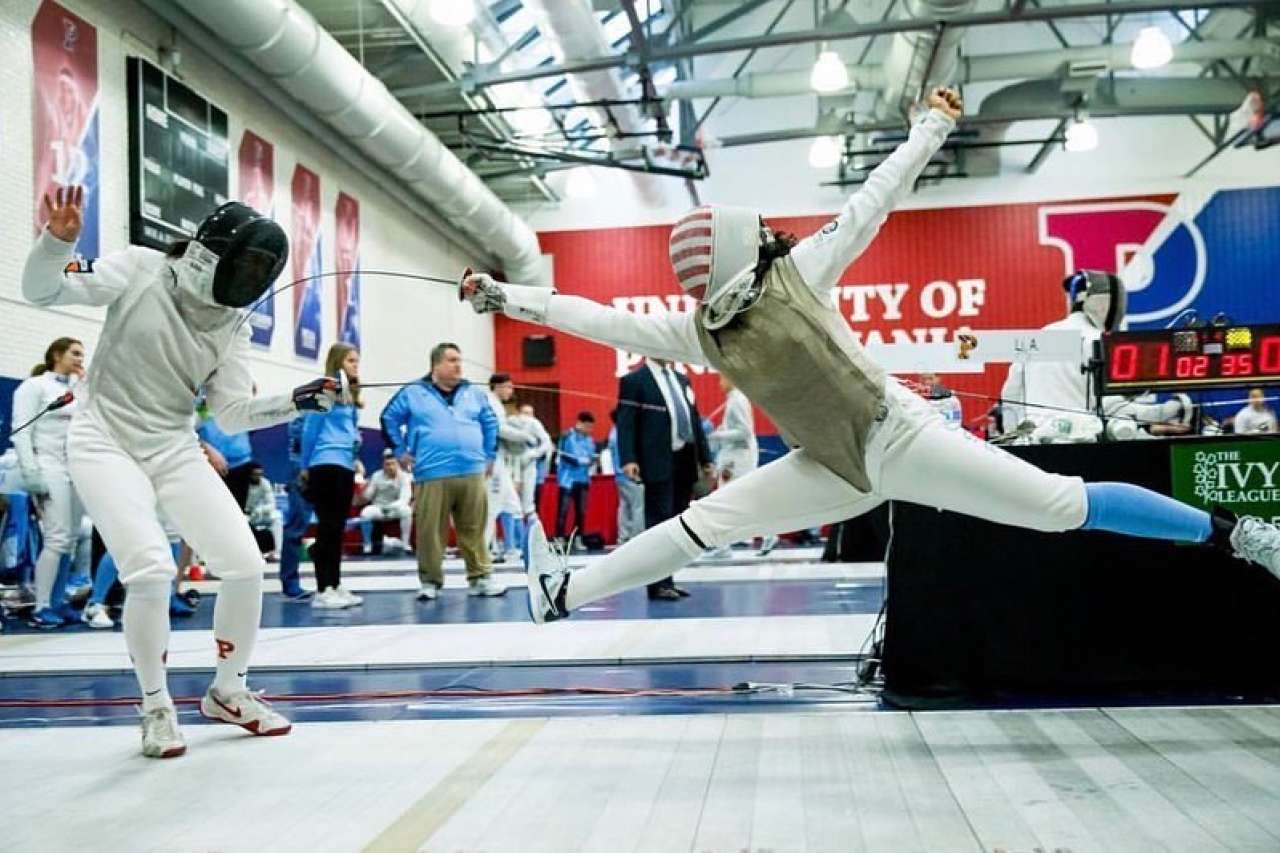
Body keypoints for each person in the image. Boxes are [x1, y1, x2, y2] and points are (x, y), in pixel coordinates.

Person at [459, 87, 1280, 626]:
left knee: (1061, 504)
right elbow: (595, 318)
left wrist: (931, 126)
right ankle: (563, 591)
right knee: (704, 524)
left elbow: (873, 200)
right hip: (832, 464)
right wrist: (511, 298)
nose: (699, 283)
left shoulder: (798, 275)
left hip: (905, 439)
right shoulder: (702, 331)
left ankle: (1239, 534)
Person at [23, 188, 339, 757]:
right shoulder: (141, 268)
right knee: (148, 572)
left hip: (172, 444)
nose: (247, 278)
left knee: (243, 565)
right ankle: (155, 705)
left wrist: (295, 399)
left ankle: (228, 691)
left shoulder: (230, 327)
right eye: (243, 265)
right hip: (103, 440)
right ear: (207, 253)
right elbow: (40, 290)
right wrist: (57, 243)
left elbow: (234, 412)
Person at [999, 269, 1189, 441]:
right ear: (1107, 303)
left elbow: (1011, 396)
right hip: (1082, 446)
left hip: (1036, 445)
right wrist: (1175, 408)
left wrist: (1014, 442)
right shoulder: (1098, 341)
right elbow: (1111, 408)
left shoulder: (1039, 337)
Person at [379, 342, 505, 600]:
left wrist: (490, 454)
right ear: (436, 365)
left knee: (474, 529)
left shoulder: (473, 392)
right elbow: (388, 418)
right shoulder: (413, 392)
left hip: (471, 470)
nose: (458, 365)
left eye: (460, 360)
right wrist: (400, 451)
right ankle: (430, 581)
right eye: (451, 360)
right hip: (432, 472)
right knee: (430, 531)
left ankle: (480, 577)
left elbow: (490, 421)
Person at [615, 358, 713, 600]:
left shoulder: (681, 380)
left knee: (677, 522)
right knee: (659, 522)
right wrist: (628, 458)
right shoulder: (634, 381)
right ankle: (657, 583)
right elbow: (625, 422)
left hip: (685, 459)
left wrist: (706, 457)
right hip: (656, 460)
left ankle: (668, 578)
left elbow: (693, 419)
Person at [11, 337, 86, 628]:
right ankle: (41, 607)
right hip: (47, 466)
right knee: (56, 538)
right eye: (75, 353)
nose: (81, 358)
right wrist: (32, 474)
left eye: (83, 354)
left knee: (70, 539)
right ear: (57, 354)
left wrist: (86, 384)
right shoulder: (34, 386)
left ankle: (57, 601)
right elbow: (20, 431)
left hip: (75, 469)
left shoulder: (76, 390)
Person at [301, 343, 364, 610]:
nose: (355, 365)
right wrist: (305, 466)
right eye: (350, 361)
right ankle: (322, 588)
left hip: (346, 466)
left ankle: (335, 584)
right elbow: (309, 431)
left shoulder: (350, 397)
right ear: (338, 363)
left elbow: (351, 433)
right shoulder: (324, 392)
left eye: (357, 361)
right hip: (324, 465)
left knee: (337, 528)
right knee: (327, 527)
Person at [707, 375, 758, 557]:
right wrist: (722, 429)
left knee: (726, 501)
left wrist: (718, 436)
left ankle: (724, 546)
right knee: (734, 500)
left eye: (723, 379)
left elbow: (745, 432)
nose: (720, 383)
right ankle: (725, 544)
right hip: (735, 457)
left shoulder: (738, 400)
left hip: (737, 459)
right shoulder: (735, 399)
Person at [485, 374, 534, 562]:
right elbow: (499, 429)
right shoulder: (491, 403)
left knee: (513, 504)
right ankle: (484, 550)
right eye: (508, 387)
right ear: (497, 387)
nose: (511, 391)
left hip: (499, 460)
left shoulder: (497, 404)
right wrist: (525, 436)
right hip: (491, 460)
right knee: (492, 506)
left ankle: (515, 548)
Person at [277, 416, 314, 601]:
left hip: (330, 467)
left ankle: (329, 584)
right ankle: (290, 582)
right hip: (303, 471)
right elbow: (299, 438)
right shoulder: (306, 409)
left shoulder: (344, 407)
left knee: (331, 528)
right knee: (296, 528)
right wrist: (301, 468)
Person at [196, 396, 256, 509]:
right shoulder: (196, 392)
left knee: (237, 515)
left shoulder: (236, 387)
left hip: (241, 463)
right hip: (209, 465)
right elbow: (183, 430)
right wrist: (206, 449)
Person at [555, 411, 597, 550]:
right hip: (567, 480)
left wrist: (590, 460)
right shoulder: (567, 436)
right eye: (587, 426)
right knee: (563, 511)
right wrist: (584, 460)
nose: (589, 430)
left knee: (581, 512)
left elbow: (591, 457)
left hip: (583, 479)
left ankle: (577, 538)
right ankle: (559, 539)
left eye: (591, 427)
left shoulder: (590, 440)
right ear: (579, 424)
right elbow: (567, 457)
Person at [359, 451, 413, 555]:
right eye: (387, 464)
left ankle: (406, 544)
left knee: (407, 511)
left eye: (393, 464)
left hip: (396, 509)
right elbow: (368, 496)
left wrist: (391, 507)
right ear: (383, 465)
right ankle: (367, 545)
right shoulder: (376, 476)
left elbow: (405, 499)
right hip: (379, 508)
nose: (390, 467)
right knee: (365, 513)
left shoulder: (404, 477)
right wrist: (364, 491)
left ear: (397, 464)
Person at [508, 402, 554, 524]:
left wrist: (533, 454)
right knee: (512, 505)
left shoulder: (536, 427)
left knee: (530, 506)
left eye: (530, 414)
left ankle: (530, 536)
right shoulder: (510, 425)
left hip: (533, 473)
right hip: (513, 471)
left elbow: (547, 444)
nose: (527, 417)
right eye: (525, 413)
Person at [608, 409, 644, 546]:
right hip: (630, 477)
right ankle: (637, 538)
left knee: (624, 507)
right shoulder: (622, 435)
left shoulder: (613, 433)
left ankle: (623, 537)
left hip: (619, 477)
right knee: (637, 507)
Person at [244, 463, 282, 560]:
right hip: (245, 515)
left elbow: (272, 504)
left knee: (277, 517)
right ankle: (249, 555)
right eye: (255, 474)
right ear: (249, 474)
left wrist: (259, 510)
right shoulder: (242, 484)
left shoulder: (265, 483)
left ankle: (276, 552)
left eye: (260, 474)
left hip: (258, 514)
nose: (258, 477)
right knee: (242, 522)